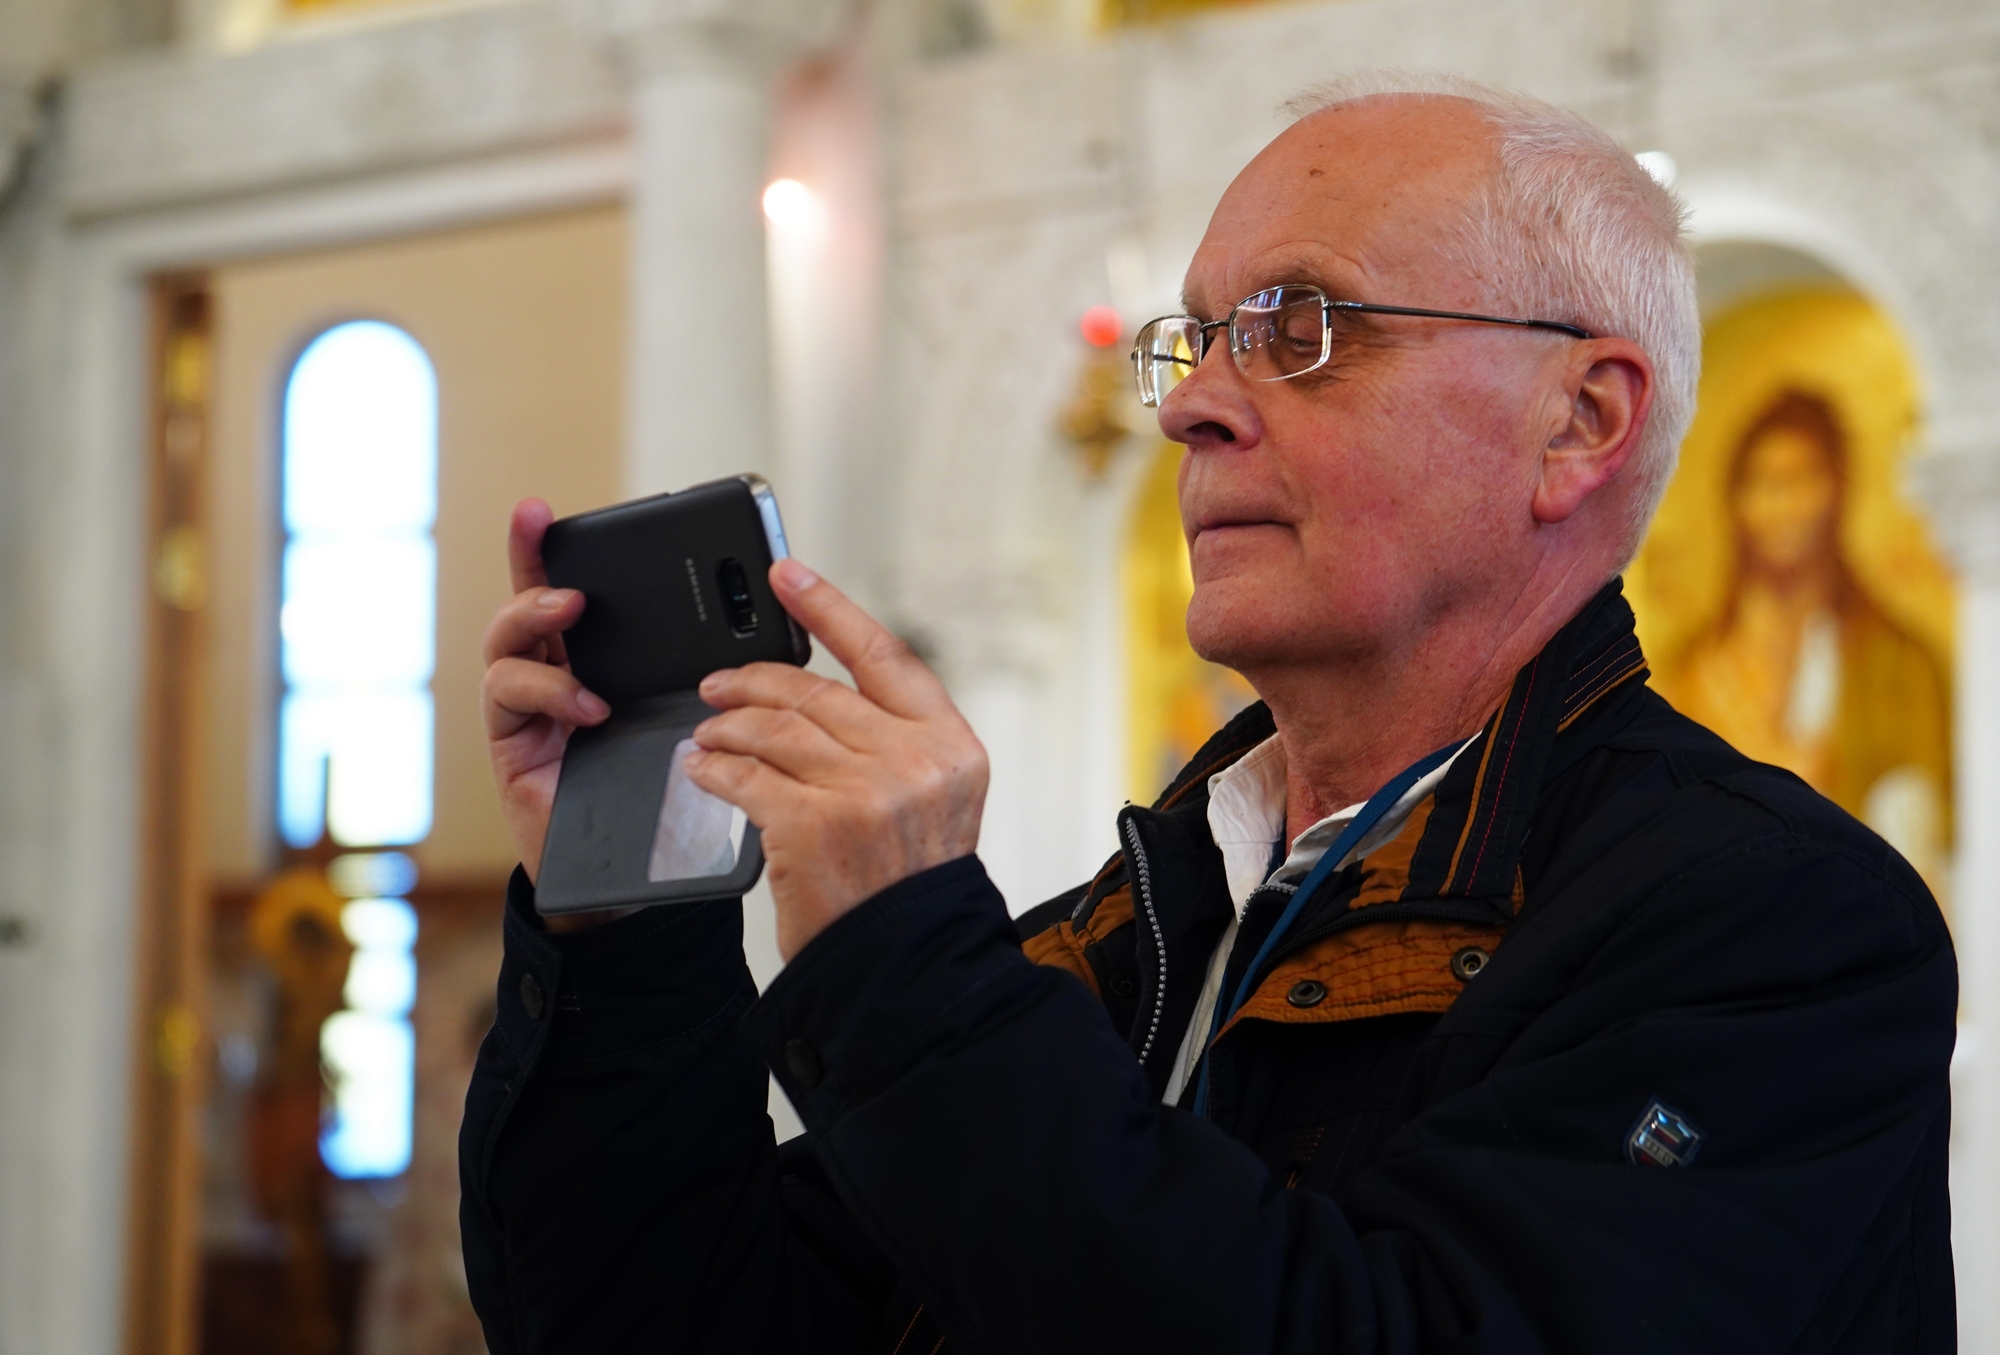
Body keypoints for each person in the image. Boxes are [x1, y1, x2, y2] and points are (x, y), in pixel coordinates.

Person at [463, 73, 1955, 1353]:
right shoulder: (1134, 926)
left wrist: (910, 965)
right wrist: (628, 926)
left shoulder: (1782, 928)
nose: (1187, 406)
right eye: (1196, 338)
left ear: (1580, 421)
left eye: (1300, 325)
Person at [1657, 388, 1952, 890]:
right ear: (1736, 500)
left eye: (1802, 479)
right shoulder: (1692, 670)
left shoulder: (1901, 662)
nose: (1782, 504)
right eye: (1763, 482)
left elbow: (1932, 837)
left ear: (1838, 490)